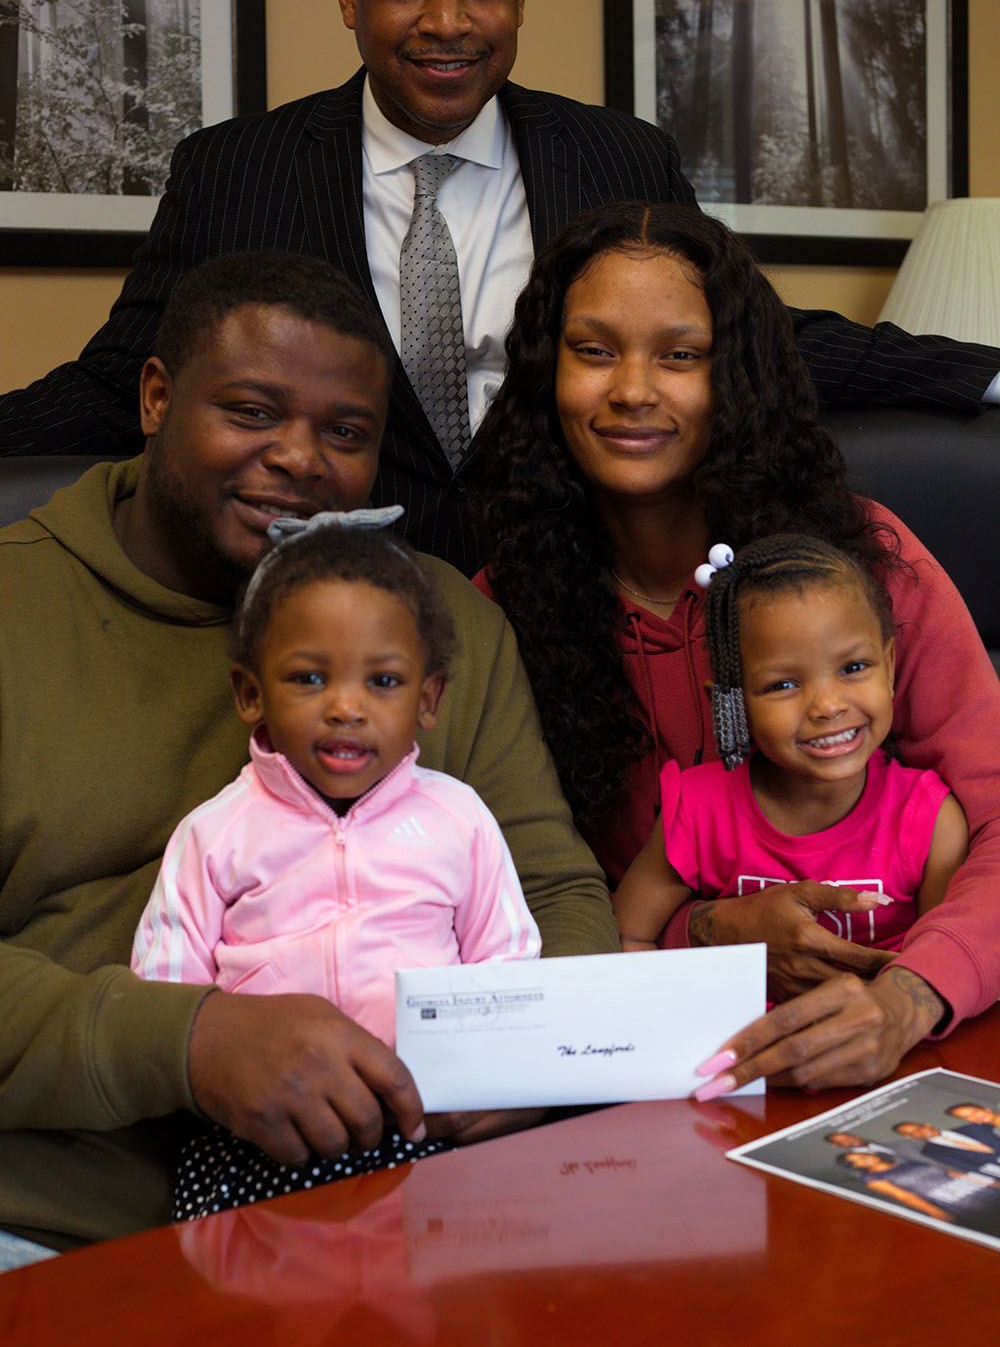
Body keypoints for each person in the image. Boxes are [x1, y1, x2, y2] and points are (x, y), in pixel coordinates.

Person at [2, 0, 999, 575]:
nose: (445, 21)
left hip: (559, 622)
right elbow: (116, 383)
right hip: (321, 643)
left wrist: (984, 375)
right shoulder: (234, 169)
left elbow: (749, 340)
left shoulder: (618, 156)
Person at [0, 250, 617, 1259]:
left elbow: (551, 888)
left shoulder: (437, 624)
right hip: (55, 1227)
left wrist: (524, 1062)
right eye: (251, 412)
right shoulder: (17, 604)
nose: (299, 458)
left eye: (345, 433)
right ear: (156, 398)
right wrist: (191, 1042)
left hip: (402, 1216)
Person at [471, 200, 1000, 1094]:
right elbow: (516, 912)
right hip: (652, 1063)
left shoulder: (863, 561)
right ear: (544, 373)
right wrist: (709, 935)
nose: (632, 389)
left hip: (902, 1046)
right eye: (594, 350)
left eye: (681, 355)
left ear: (738, 378)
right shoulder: (501, 611)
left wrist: (909, 997)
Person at [132, 514, 541, 1217]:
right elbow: (164, 997)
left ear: (429, 699)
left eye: (383, 681)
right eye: (309, 677)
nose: (346, 707)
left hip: (428, 1128)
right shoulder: (215, 833)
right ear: (250, 694)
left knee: (425, 1311)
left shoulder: (458, 818)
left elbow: (509, 966)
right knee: (260, 1310)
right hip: (259, 1141)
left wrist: (488, 1078)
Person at [614, 535, 968, 980]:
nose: (827, 706)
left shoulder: (932, 823)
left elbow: (941, 971)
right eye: (783, 685)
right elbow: (626, 938)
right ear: (734, 701)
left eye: (853, 668)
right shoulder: (697, 811)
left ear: (891, 664)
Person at [838, 1149, 1000, 1229]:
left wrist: (991, 1183)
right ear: (856, 1167)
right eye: (858, 1160)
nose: (864, 1158)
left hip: (978, 1189)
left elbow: (952, 1173)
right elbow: (904, 1196)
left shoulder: (908, 1163)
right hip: (956, 1201)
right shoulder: (872, 1179)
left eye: (862, 1154)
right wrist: (936, 1212)